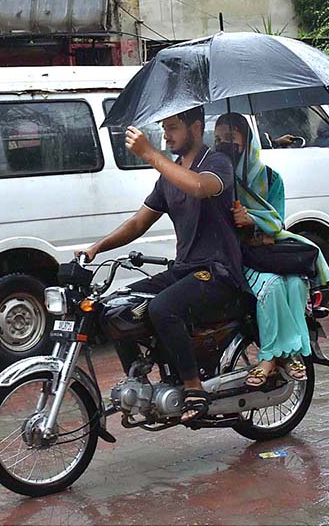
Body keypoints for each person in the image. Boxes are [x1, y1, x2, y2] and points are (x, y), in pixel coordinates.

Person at [77, 106, 243, 424]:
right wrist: (97, 247)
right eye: (163, 127)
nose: (166, 134)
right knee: (115, 307)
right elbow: (139, 222)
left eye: (173, 127)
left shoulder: (218, 163)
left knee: (163, 308)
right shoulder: (169, 175)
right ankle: (139, 382)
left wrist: (150, 153)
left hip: (219, 271)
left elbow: (198, 186)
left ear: (196, 127)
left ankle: (194, 388)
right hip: (185, 269)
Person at [213, 113, 329, 386]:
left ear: (247, 140)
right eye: (218, 139)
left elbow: (276, 222)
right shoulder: (218, 180)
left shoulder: (270, 178)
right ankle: (272, 356)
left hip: (268, 253)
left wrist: (252, 219)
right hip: (237, 256)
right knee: (273, 286)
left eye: (231, 138)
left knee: (295, 284)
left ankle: (288, 355)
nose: (224, 144)